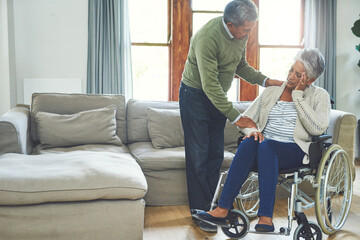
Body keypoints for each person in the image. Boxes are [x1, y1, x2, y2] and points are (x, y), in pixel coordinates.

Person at [195, 48, 330, 232]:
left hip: (295, 149)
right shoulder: (272, 91)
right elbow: (245, 119)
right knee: (249, 142)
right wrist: (253, 130)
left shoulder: (319, 96)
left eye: (298, 75)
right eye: (291, 70)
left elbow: (317, 128)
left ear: (311, 80)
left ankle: (266, 216)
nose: (290, 77)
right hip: (266, 147)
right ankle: (222, 209)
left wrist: (298, 98)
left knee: (267, 146)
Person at [179, 0, 282, 233]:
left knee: (215, 153)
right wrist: (236, 117)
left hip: (216, 97)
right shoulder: (208, 38)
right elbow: (210, 85)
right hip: (195, 95)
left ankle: (216, 207)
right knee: (198, 155)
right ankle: (200, 212)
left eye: (251, 28)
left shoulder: (240, 34)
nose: (249, 33)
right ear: (230, 25)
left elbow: (241, 66)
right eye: (246, 30)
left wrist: (265, 81)